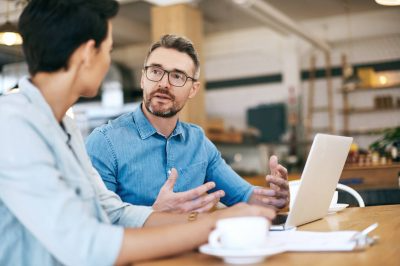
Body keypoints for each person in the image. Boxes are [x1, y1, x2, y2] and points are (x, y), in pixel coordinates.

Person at [0, 1, 276, 265]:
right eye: (108, 50)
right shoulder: (12, 124)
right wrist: (215, 225)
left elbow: (114, 211)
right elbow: (87, 245)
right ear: (87, 54)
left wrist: (207, 220)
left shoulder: (64, 125)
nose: (108, 62)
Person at [86, 34, 290, 213]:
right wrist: (154, 213)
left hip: (192, 254)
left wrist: (275, 198)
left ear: (193, 89)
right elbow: (93, 223)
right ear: (142, 79)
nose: (163, 83)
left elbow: (246, 197)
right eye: (156, 71)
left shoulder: (198, 142)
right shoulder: (104, 142)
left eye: (177, 76)